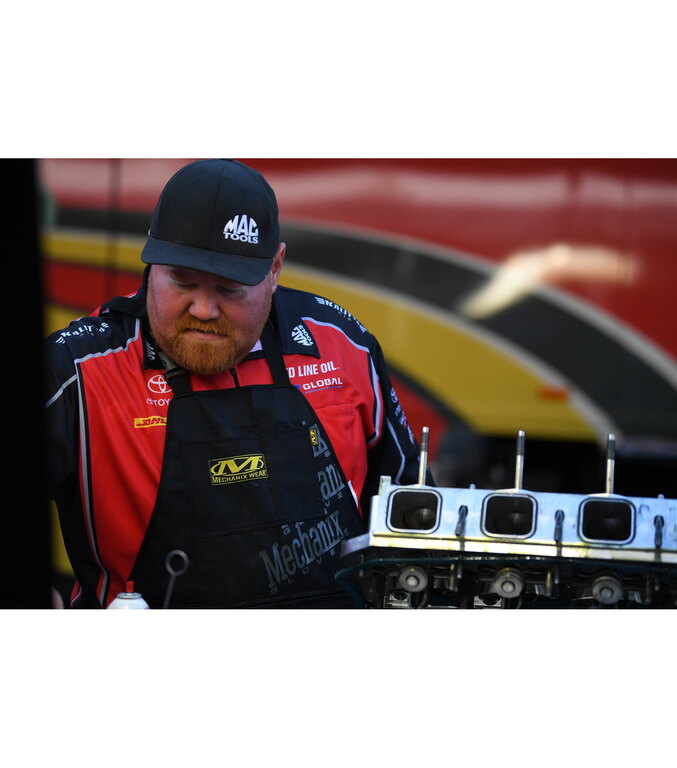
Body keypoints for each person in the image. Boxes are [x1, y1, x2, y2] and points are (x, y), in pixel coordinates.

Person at [45, 159, 432, 609]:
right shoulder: (76, 369)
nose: (203, 309)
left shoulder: (344, 346)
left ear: (275, 269)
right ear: (150, 260)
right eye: (182, 281)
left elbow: (415, 518)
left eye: (229, 288)